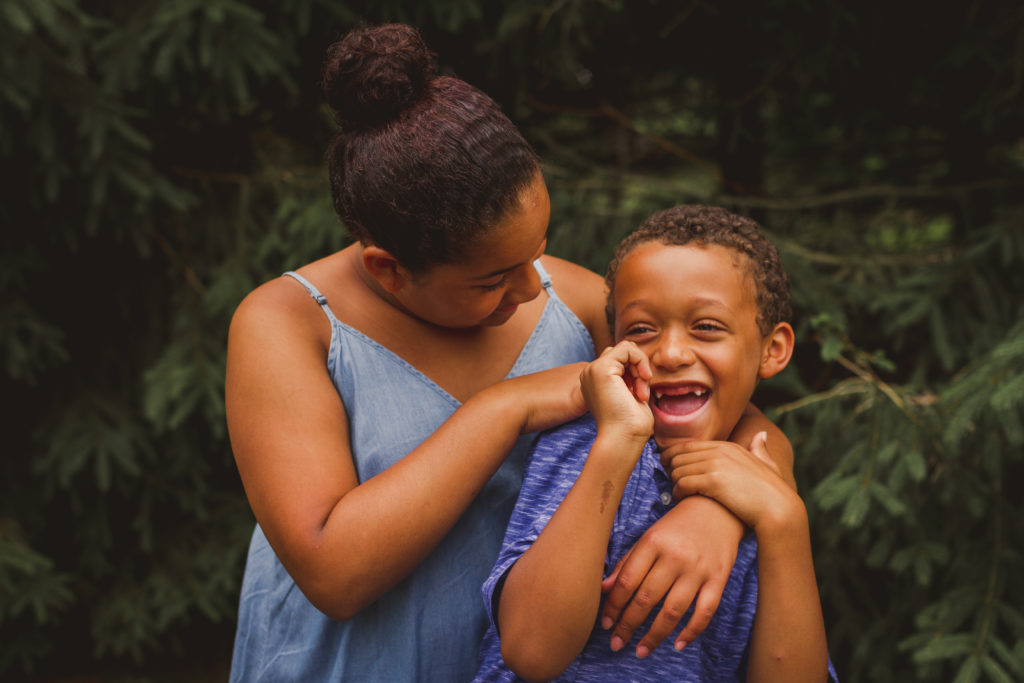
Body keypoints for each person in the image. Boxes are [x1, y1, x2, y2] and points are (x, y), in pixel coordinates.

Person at [225, 24, 796, 682]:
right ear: (388, 270)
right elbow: (334, 571)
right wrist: (506, 406)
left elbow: (730, 409)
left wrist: (716, 509)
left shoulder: (575, 301)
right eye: (492, 279)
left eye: (537, 250)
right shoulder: (288, 325)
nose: (531, 287)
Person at [476, 205, 836, 682]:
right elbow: (530, 652)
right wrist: (617, 444)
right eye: (641, 330)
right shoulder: (580, 445)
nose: (668, 353)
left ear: (773, 350)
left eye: (706, 326)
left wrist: (785, 523)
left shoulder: (763, 496)